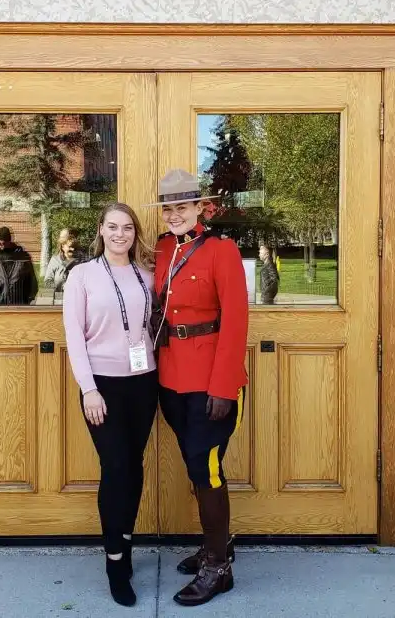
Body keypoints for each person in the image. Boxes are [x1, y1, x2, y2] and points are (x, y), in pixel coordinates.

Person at [148, 169, 248, 607]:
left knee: (206, 469)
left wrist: (224, 386)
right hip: (171, 378)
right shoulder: (162, 248)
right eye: (167, 209)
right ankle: (216, 545)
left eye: (182, 207)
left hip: (210, 381)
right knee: (195, 466)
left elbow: (236, 321)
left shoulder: (222, 250)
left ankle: (218, 569)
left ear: (200, 208)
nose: (174, 215)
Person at [63, 203, 158, 607]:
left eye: (128, 228)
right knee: (116, 467)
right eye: (113, 227)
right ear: (101, 230)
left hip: (143, 382)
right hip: (102, 386)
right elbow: (74, 335)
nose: (121, 234)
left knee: (133, 466)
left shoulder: (147, 275)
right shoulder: (82, 275)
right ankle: (114, 561)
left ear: (135, 233)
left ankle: (127, 542)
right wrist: (88, 389)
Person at [0, 226, 39, 305]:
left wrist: (28, 299)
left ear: (9, 241)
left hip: (18, 302)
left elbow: (32, 281)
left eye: (1, 244)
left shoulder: (23, 258)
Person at [44, 228, 85, 303]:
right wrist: (59, 287)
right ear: (63, 246)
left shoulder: (81, 261)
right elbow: (47, 282)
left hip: (77, 300)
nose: (72, 249)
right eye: (70, 246)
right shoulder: (55, 260)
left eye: (74, 247)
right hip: (58, 300)